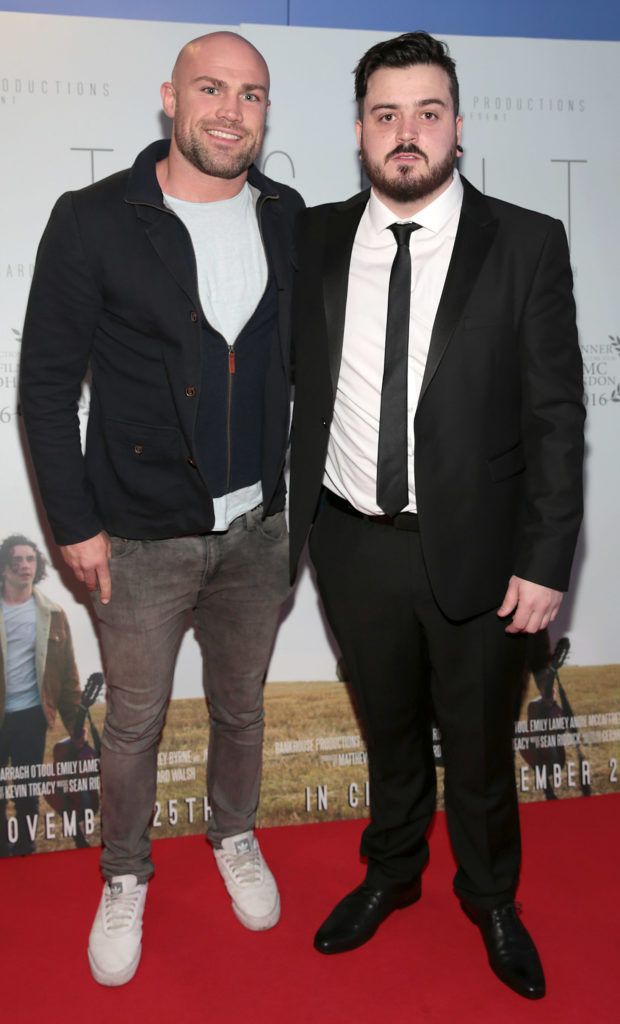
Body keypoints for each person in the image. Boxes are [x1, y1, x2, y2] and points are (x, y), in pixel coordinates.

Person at [289, 31, 584, 1000]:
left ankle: (490, 896)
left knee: (479, 745)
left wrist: (545, 562)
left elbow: (552, 414)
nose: (404, 133)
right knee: (387, 731)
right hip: (352, 544)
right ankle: (391, 872)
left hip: (483, 557)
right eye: (384, 114)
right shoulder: (314, 237)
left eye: (425, 112)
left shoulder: (526, 240)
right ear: (361, 130)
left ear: (456, 125)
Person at [20, 31, 304, 987]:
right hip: (135, 535)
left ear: (267, 112)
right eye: (212, 89)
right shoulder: (95, 219)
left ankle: (233, 836)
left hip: (261, 531)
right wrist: (73, 524)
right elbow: (46, 387)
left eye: (252, 95)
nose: (231, 111)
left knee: (242, 707)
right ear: (169, 99)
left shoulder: (291, 219)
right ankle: (126, 873)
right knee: (134, 722)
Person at [0, 534, 81, 856]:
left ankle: (25, 848)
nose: (24, 565)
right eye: (17, 559)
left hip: (32, 714)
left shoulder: (52, 613)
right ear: (4, 568)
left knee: (26, 788)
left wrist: (75, 723)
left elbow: (68, 674)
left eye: (30, 559)